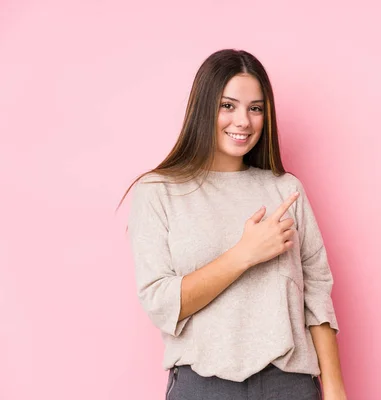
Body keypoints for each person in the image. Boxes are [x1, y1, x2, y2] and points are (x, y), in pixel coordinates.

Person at [121, 49, 346, 400]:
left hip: (288, 385)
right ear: (203, 107)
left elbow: (317, 292)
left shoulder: (285, 189)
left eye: (255, 108)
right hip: (203, 385)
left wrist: (334, 389)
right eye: (228, 105)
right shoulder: (158, 191)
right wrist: (244, 254)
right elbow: (161, 302)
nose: (243, 120)